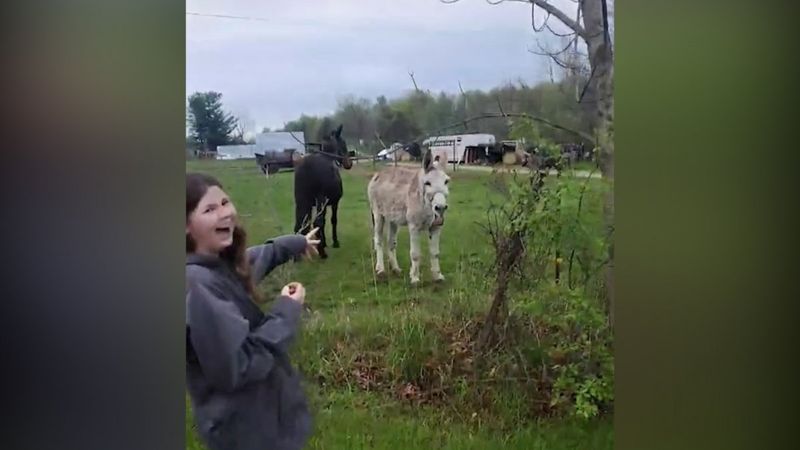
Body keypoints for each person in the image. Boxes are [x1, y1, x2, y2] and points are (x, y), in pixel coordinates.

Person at [185, 172, 319, 450]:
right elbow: (240, 364)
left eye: (225, 202)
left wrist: (292, 244)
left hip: (260, 420)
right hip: (246, 432)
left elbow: (251, 263)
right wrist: (286, 310)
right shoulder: (196, 287)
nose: (225, 214)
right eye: (209, 209)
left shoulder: (214, 264)